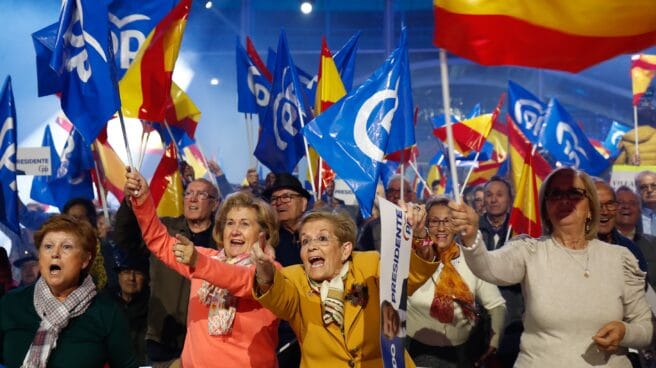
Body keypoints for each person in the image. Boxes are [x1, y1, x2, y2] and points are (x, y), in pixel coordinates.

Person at [459, 167, 653, 366]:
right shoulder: (530, 251)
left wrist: (625, 332)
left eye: (574, 193)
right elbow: (487, 267)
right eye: (556, 194)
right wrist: (471, 237)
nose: (565, 200)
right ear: (545, 207)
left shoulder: (619, 258)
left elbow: (645, 327)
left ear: (590, 206)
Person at [125, 169, 280, 367]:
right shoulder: (208, 258)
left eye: (244, 224)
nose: (234, 231)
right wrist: (143, 199)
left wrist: (199, 263)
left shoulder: (271, 270)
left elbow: (242, 280)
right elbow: (159, 241)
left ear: (264, 232)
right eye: (230, 223)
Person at [250, 208, 437, 367]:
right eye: (305, 241)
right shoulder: (294, 279)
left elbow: (409, 277)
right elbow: (277, 295)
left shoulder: (369, 264)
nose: (312, 246)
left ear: (345, 249)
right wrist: (265, 270)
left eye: (322, 238)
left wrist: (421, 237)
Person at [0, 215, 137, 368]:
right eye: (48, 246)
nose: (55, 254)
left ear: (85, 260)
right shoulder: (11, 304)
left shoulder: (106, 312)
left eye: (66, 247)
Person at [115, 176, 220, 365]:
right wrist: (130, 204)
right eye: (188, 193)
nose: (192, 199)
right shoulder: (165, 230)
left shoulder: (223, 240)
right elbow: (125, 239)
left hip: (208, 336)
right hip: (163, 334)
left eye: (201, 194)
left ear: (215, 204)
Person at [406, 195, 506, 367]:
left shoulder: (472, 258)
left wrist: (493, 345)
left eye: (448, 221)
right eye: (435, 221)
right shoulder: (412, 258)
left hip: (462, 356)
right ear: (426, 224)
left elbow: (496, 305)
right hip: (417, 354)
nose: (441, 228)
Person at [261, 172, 311, 367]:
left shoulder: (321, 234)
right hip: (280, 334)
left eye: (287, 197)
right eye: (274, 199)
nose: (279, 202)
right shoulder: (266, 242)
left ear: (304, 203)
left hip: (315, 326)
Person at [593, 179, 648, 273]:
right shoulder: (569, 246)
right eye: (597, 205)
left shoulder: (630, 249)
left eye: (610, 204)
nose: (605, 211)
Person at [107, 248, 150, 365]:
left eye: (137, 273)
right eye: (126, 272)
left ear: (146, 278)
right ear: (119, 275)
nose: (131, 278)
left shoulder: (153, 307)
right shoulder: (106, 304)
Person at [357, 175, 415, 251]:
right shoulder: (373, 227)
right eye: (391, 191)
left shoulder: (421, 224)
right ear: (386, 195)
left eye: (402, 191)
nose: (396, 195)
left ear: (412, 195)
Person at [616, 186, 656, 288]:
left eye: (632, 203)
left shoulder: (653, 244)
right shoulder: (599, 242)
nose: (626, 206)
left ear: (640, 211)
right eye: (620, 202)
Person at [636, 170, 656, 236]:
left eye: (653, 185)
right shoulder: (633, 216)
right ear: (638, 190)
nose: (649, 190)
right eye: (643, 187)